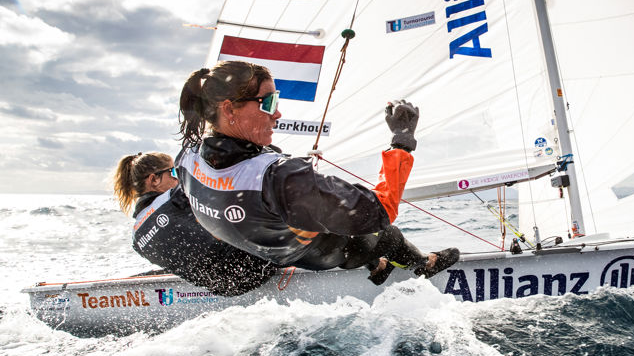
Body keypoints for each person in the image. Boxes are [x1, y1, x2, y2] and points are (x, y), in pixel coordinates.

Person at [175, 60, 458, 284]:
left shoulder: (186, 157)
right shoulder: (279, 177)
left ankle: (378, 267)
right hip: (320, 253)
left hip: (271, 251)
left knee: (320, 218)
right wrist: (402, 142)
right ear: (229, 109)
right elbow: (380, 210)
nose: (278, 114)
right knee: (386, 234)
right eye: (269, 103)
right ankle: (425, 263)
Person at [112, 152, 277, 296]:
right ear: (154, 180)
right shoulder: (175, 196)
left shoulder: (136, 237)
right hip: (255, 269)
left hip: (222, 289)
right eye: (174, 172)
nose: (178, 177)